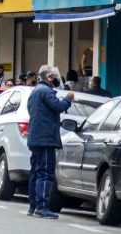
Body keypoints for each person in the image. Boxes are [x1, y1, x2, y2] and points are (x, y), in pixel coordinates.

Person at [27, 67, 74, 220]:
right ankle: (41, 207)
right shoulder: (46, 92)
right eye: (54, 77)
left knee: (36, 171)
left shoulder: (35, 92)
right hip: (45, 138)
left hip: (36, 137)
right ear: (48, 77)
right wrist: (68, 99)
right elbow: (58, 107)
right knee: (46, 172)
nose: (56, 79)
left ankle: (33, 205)